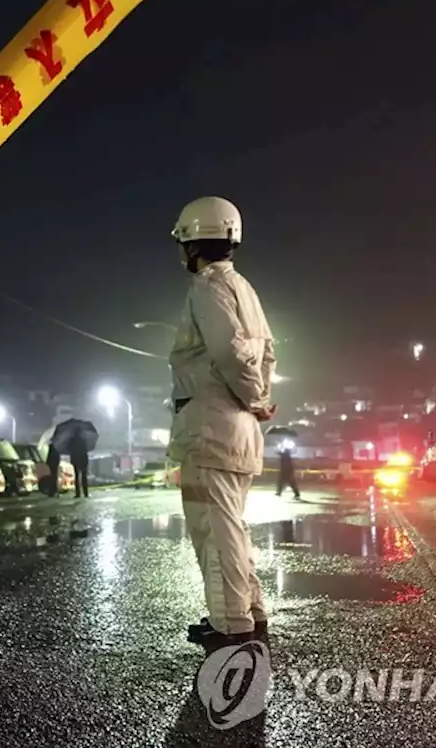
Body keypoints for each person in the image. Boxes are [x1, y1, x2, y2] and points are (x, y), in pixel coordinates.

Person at [167, 197, 277, 650]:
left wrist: (255, 396)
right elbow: (266, 353)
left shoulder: (207, 289)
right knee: (231, 524)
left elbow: (229, 352)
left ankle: (231, 622)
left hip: (212, 426)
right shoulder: (244, 288)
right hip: (238, 427)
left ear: (192, 243)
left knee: (215, 527)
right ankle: (249, 609)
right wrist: (261, 399)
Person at [69, 435, 90, 499]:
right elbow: (85, 451)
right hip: (83, 460)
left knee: (77, 477)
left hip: (76, 460)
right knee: (84, 477)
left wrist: (72, 460)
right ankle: (85, 493)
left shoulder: (71, 441)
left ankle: (77, 493)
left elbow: (71, 451)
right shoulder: (83, 440)